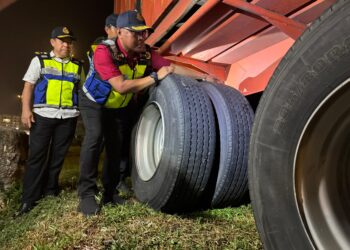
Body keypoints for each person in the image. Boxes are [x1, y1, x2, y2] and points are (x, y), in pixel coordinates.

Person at [77, 10, 217, 216]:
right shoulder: (103, 51)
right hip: (94, 102)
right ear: (121, 32)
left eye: (145, 33)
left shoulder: (145, 53)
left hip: (117, 106)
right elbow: (121, 86)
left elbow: (172, 68)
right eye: (136, 33)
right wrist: (154, 77)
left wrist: (204, 77)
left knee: (116, 148)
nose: (143, 37)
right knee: (95, 138)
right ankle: (86, 195)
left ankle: (109, 193)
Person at [18, 26, 85, 215]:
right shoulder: (39, 60)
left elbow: (82, 90)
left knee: (57, 157)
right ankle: (29, 199)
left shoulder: (78, 65)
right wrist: (25, 110)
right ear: (53, 42)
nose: (66, 45)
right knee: (36, 158)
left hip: (68, 118)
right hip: (43, 116)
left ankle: (50, 190)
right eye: (62, 41)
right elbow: (28, 86)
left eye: (69, 41)